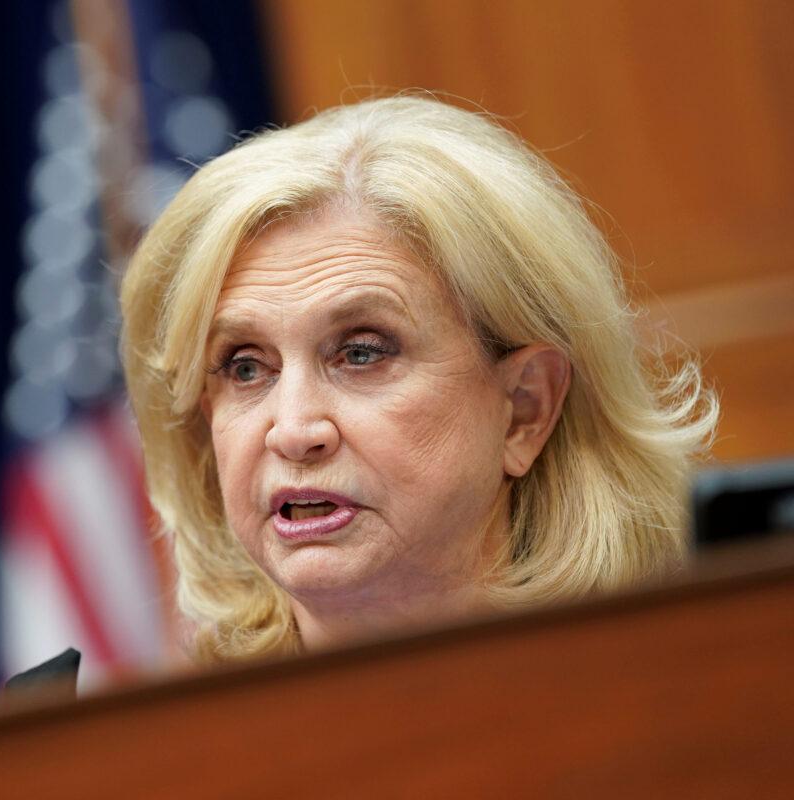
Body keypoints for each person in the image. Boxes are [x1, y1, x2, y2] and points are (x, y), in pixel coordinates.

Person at [118, 94, 717, 663]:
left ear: (525, 408)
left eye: (361, 353)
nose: (295, 431)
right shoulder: (150, 762)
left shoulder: (699, 716)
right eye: (246, 366)